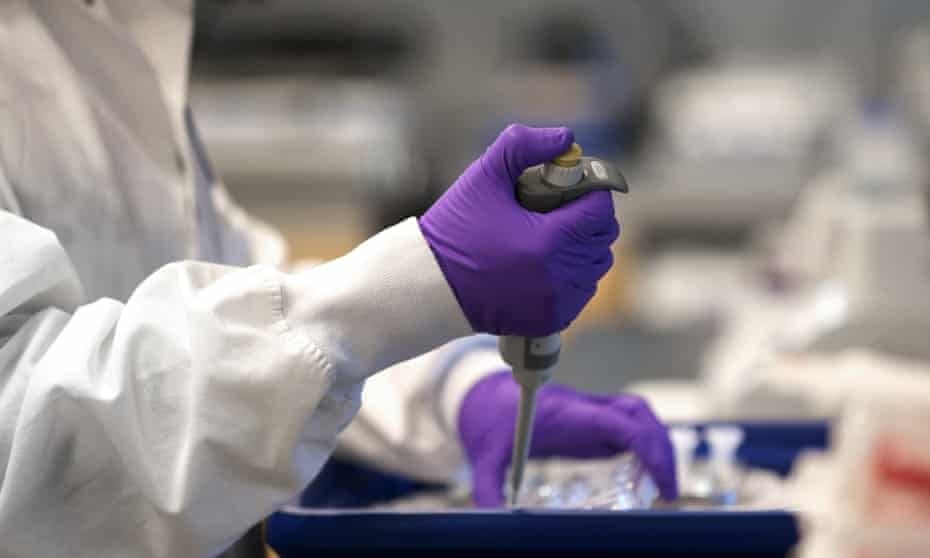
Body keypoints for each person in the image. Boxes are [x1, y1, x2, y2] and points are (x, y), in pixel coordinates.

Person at [0, 1, 676, 557]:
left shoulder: (108, 29)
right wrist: (417, 281)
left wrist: (453, 394)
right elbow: (25, 443)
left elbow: (246, 301)